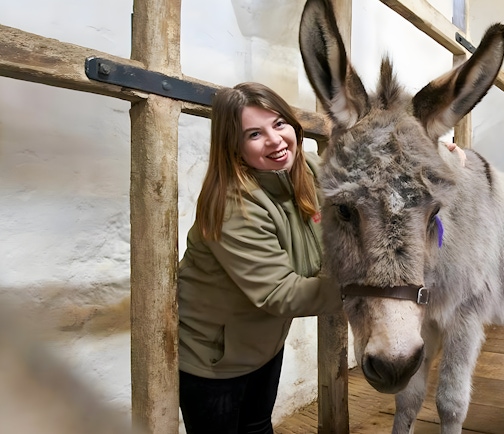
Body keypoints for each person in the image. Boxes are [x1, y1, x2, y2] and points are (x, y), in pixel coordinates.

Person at [177, 82, 468, 434]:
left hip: (264, 342)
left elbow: (379, 175)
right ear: (234, 147)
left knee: (256, 426)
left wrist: (440, 156)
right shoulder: (232, 207)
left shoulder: (311, 172)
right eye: (255, 133)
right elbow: (277, 294)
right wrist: (384, 292)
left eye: (279, 124)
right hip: (214, 359)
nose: (275, 140)